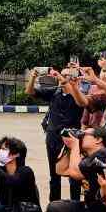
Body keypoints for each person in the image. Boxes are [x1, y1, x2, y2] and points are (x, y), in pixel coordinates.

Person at [25, 67, 83, 202]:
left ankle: (75, 206)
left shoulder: (79, 95)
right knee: (54, 175)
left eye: (68, 75)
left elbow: (81, 102)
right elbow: (30, 92)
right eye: (62, 75)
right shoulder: (54, 92)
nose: (63, 78)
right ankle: (54, 206)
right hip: (53, 138)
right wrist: (32, 77)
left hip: (71, 140)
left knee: (74, 176)